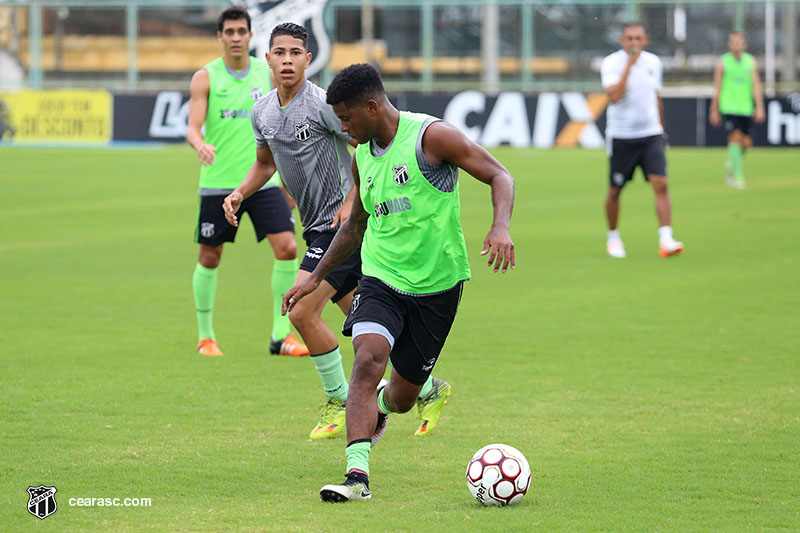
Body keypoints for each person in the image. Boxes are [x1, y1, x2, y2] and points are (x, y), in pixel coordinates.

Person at [282, 63, 516, 502]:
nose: (344, 129)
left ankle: (385, 408)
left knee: (404, 396)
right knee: (368, 359)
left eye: (348, 119)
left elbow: (501, 175)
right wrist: (315, 278)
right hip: (381, 278)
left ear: (371, 107)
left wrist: (500, 227)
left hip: (438, 286)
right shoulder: (362, 157)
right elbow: (355, 226)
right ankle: (357, 478)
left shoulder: (432, 138)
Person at [222, 24, 452, 441]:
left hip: (343, 227)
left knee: (301, 310)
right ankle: (429, 386)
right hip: (316, 231)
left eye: (296, 52)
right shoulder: (263, 112)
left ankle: (339, 399)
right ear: (267, 58)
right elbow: (265, 164)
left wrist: (352, 200)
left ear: (309, 60)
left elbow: (363, 148)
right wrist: (240, 192)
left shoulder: (324, 104)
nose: (288, 59)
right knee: (362, 322)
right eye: (279, 52)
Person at [186, 7, 308, 358]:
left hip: (263, 181)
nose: (236, 37)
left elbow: (284, 125)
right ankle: (206, 337)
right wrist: (200, 143)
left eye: (242, 31)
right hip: (219, 182)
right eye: (230, 32)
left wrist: (288, 183)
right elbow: (192, 127)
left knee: (287, 248)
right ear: (220, 37)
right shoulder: (205, 77)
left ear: (251, 36)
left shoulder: (265, 72)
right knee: (210, 257)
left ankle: (281, 335)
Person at [600, 22, 683, 259]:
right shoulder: (612, 63)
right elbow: (614, 96)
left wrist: (662, 130)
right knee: (615, 190)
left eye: (638, 38)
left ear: (645, 39)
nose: (634, 43)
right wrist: (629, 65)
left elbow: (656, 97)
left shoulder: (654, 62)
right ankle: (613, 238)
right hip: (621, 135)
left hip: (650, 134)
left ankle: (666, 239)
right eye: (629, 39)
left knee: (661, 183)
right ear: (622, 41)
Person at [709, 31, 765, 190]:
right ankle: (738, 177)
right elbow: (717, 87)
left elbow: (756, 85)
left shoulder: (750, 61)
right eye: (733, 42)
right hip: (728, 107)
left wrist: (759, 107)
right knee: (735, 138)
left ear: (744, 44)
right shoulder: (722, 62)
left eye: (739, 42)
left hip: (746, 108)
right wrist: (714, 110)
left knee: (746, 143)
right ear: (729, 44)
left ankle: (732, 164)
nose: (737, 45)